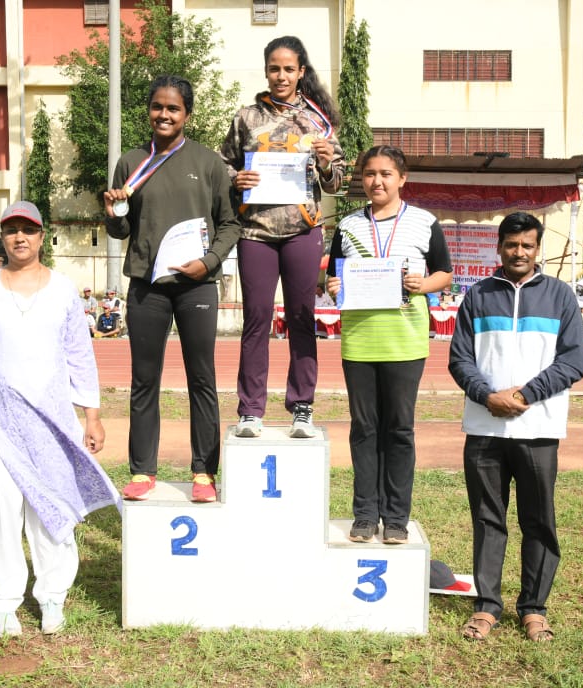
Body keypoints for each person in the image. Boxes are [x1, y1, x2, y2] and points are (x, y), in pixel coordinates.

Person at [0, 200, 120, 638]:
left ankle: (52, 595)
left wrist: (92, 415)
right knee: (0, 510)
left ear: (42, 236)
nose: (19, 237)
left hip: (52, 421)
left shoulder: (64, 290)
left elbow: (79, 356)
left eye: (28, 229)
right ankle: (5, 602)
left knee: (51, 506)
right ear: (3, 237)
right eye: (11, 230)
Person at [448, 212, 583, 643]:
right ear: (499, 247)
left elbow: (573, 361)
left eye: (527, 245)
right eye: (511, 244)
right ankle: (487, 605)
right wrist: (487, 395)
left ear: (537, 248)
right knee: (488, 520)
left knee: (538, 520)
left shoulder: (561, 297)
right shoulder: (477, 296)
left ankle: (534, 608)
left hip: (538, 429)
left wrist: (525, 395)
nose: (519, 252)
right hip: (484, 428)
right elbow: (459, 359)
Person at [104, 75, 240, 503]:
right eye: (158, 107)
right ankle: (143, 470)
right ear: (149, 110)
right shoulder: (130, 162)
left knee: (202, 378)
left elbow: (231, 223)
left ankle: (204, 472)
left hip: (196, 286)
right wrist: (111, 213)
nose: (164, 115)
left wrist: (209, 262)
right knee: (144, 380)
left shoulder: (209, 163)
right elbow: (122, 227)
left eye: (174, 108)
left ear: (187, 114)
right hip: (147, 285)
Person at [325, 145, 453, 545]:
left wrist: (423, 284)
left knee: (398, 429)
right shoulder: (347, 226)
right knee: (364, 428)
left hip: (405, 341)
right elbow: (332, 278)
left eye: (385, 174)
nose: (376, 181)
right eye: (368, 174)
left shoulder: (424, 222)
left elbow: (445, 273)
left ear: (402, 178)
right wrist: (332, 286)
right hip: (360, 341)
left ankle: (396, 517)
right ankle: (365, 513)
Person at [220, 35, 347, 440]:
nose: (281, 76)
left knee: (301, 318)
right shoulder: (245, 118)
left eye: (288, 69)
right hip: (255, 233)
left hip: (303, 231)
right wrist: (235, 179)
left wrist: (327, 164)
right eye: (274, 68)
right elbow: (222, 167)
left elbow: (338, 183)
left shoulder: (318, 122)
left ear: (301, 72)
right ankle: (250, 410)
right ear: (266, 71)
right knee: (256, 319)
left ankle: (302, 407)